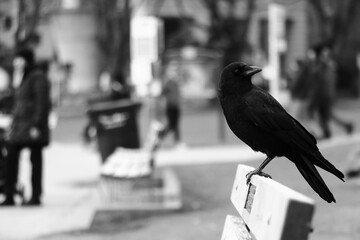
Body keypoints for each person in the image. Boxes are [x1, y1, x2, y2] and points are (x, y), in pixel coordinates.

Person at [0, 48, 51, 206]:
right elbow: (17, 101)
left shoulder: (38, 77)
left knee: (35, 160)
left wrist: (36, 125)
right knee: (11, 157)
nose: (16, 63)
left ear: (27, 61)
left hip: (33, 126)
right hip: (20, 127)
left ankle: (36, 196)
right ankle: (9, 194)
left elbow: (42, 103)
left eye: (19, 59)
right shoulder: (21, 77)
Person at [307, 44, 353, 139]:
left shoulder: (322, 67)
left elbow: (321, 84)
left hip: (323, 96)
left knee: (324, 114)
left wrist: (316, 98)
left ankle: (340, 127)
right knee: (325, 115)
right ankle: (332, 130)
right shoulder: (327, 66)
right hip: (325, 95)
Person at [159, 65, 185, 148]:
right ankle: (160, 137)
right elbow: (162, 93)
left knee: (175, 125)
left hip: (176, 106)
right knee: (171, 125)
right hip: (170, 106)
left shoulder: (176, 82)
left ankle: (177, 142)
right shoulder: (168, 82)